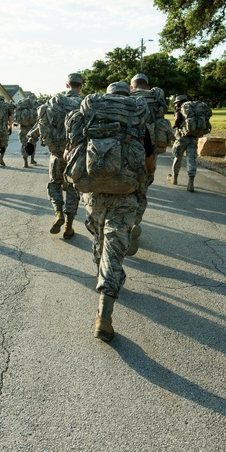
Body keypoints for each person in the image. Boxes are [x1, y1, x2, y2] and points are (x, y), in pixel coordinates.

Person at [71, 82, 154, 342]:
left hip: (93, 191)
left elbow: (70, 152)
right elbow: (149, 164)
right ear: (127, 98)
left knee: (99, 239)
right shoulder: (137, 121)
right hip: (125, 192)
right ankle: (104, 315)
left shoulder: (90, 116)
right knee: (115, 249)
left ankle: (103, 273)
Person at [34, 73, 84, 239]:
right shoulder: (84, 104)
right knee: (72, 187)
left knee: (55, 183)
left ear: (67, 85)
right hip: (76, 154)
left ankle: (58, 213)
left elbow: (41, 124)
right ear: (81, 86)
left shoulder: (53, 103)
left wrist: (31, 138)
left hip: (56, 153)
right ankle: (69, 226)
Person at [127, 73, 169, 255]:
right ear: (147, 85)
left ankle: (125, 226)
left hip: (128, 153)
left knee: (127, 190)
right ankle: (136, 222)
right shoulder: (156, 99)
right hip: (149, 154)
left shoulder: (127, 99)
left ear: (131, 86)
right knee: (142, 190)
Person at [170, 94, 199, 192]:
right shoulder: (194, 110)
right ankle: (191, 182)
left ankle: (174, 178)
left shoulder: (180, 110)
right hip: (194, 138)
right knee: (191, 160)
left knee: (177, 157)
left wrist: (174, 126)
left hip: (182, 138)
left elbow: (177, 120)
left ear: (179, 102)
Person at [0, 95, 15, 166]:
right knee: (4, 144)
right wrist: (10, 127)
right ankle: (1, 158)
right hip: (4, 128)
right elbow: (10, 119)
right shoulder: (7, 107)